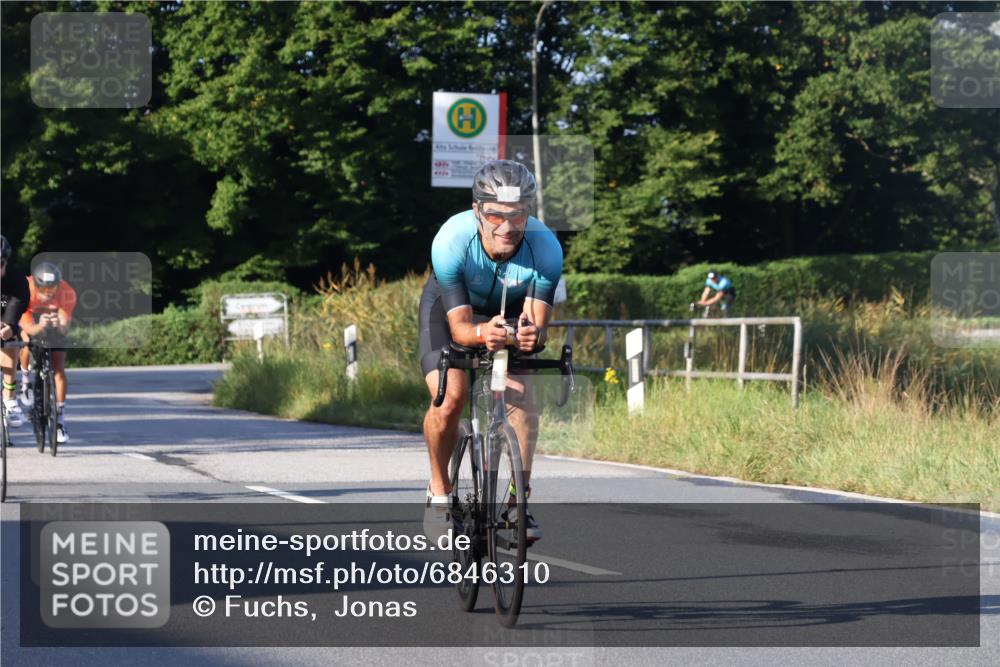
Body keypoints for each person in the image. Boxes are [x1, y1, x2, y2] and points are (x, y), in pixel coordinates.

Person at [420, 160, 563, 542]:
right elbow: (462, 329)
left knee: (522, 401)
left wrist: (532, 337)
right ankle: (439, 491)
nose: (507, 226)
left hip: (509, 310)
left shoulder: (545, 247)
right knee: (450, 398)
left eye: (517, 215)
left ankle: (518, 504)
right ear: (477, 211)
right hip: (453, 311)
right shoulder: (451, 240)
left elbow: (536, 323)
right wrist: (484, 332)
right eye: (496, 214)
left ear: (527, 212)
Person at [19, 262, 77, 444]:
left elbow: (64, 329)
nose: (49, 292)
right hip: (31, 318)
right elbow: (27, 326)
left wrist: (56, 324)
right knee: (26, 340)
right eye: (44, 288)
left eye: (53, 287)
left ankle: (59, 419)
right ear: (36, 284)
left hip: (53, 322)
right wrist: (40, 325)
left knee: (59, 367)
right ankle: (26, 381)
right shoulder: (24, 289)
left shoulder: (67, 292)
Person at [1, 235, 30, 430]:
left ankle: (10, 398)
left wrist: (10, 325)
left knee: (9, 339)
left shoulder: (15, 277)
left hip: (6, 308)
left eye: (0, 263)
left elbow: (20, 301)